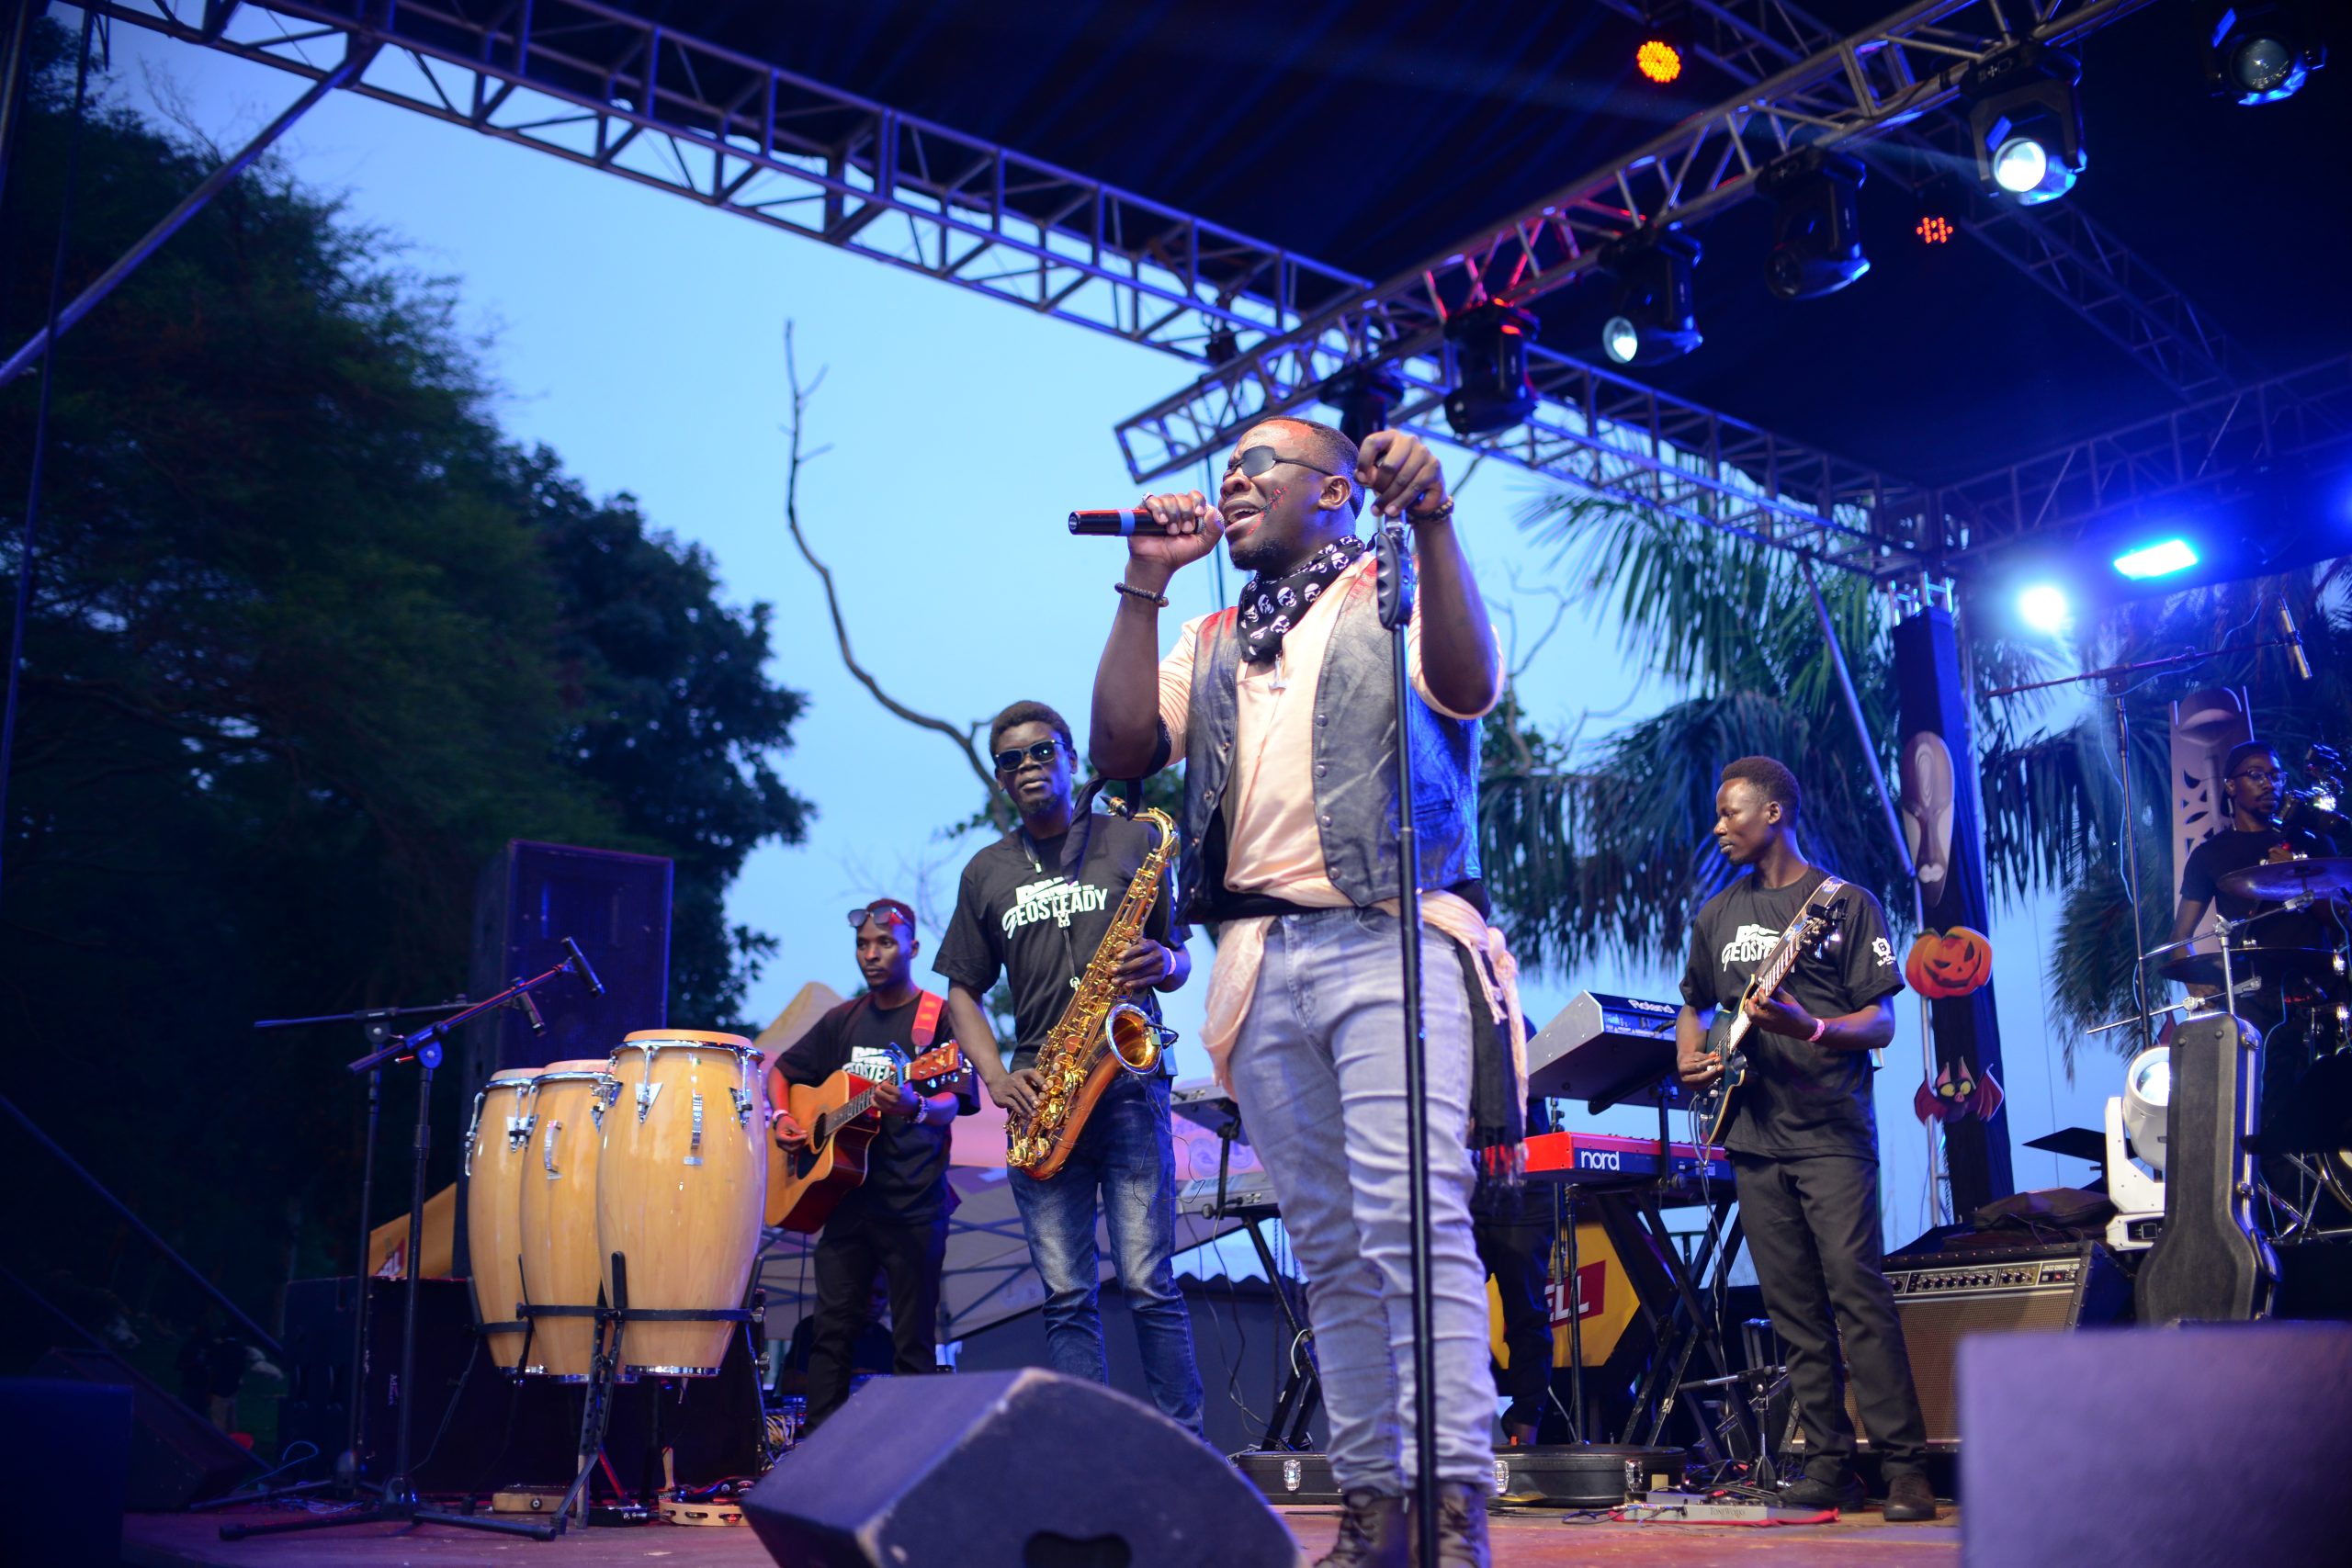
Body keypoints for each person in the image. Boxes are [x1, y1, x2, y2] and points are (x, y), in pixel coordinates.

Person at [1089, 418, 1525, 1568]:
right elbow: (1122, 748)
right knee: (1328, 1249)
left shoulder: (1394, 589)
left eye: (1257, 469)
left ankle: (1451, 1505)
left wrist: (1434, 519)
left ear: (1332, 491)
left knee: (1411, 1225)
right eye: (1225, 471)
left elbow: (1471, 686)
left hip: (1390, 937)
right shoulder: (1211, 637)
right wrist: (1143, 582)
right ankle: (1373, 1504)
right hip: (1259, 960)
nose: (1231, 484)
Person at [933, 699, 1206, 1438]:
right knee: (1065, 1296)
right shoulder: (985, 871)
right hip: (1039, 1096)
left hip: (1129, 1081)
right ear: (1000, 778)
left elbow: (1180, 957)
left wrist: (1166, 960)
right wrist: (996, 1078)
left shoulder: (1133, 839)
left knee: (1149, 1280)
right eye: (1011, 760)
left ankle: (1185, 1447)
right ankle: (1088, 1452)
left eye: (1041, 751)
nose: (1027, 766)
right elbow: (961, 991)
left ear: (1071, 759)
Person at [1674, 756, 1936, 1522]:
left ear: (1775, 812)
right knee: (1793, 1308)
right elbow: (1694, 1003)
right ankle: (1829, 1463)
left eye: (1731, 812)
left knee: (1858, 1294)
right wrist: (1688, 1055)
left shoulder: (1843, 904)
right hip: (1752, 1134)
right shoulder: (1716, 915)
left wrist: (1811, 1026)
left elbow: (1882, 1020)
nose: (1719, 827)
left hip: (1830, 1131)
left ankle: (1905, 1466)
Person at [770, 898, 976, 1429]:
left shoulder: (939, 1019)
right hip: (845, 1201)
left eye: (885, 943)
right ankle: (817, 1450)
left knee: (913, 1341)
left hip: (914, 1202)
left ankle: (912, 1455)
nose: (871, 954)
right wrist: (783, 1117)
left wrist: (916, 1106)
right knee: (830, 1332)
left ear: (913, 948)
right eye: (863, 944)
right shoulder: (843, 1020)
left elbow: (953, 1101)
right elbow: (782, 1072)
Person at [2169, 739, 2341, 1189]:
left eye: (2276, 775)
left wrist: (2300, 880)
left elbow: (2342, 921)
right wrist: (2196, 985)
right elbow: (2179, 938)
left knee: (2327, 1104)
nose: (2270, 783)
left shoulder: (2311, 842)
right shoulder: (2211, 855)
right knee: (2264, 1116)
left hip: (2319, 991)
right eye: (2257, 774)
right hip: (2257, 1001)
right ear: (2231, 786)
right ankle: (2276, 1204)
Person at [1474, 1096, 1556, 1447]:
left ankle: (1524, 1437)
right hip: (1461, 1180)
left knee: (1526, 1311)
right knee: (1440, 1309)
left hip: (1525, 1178)